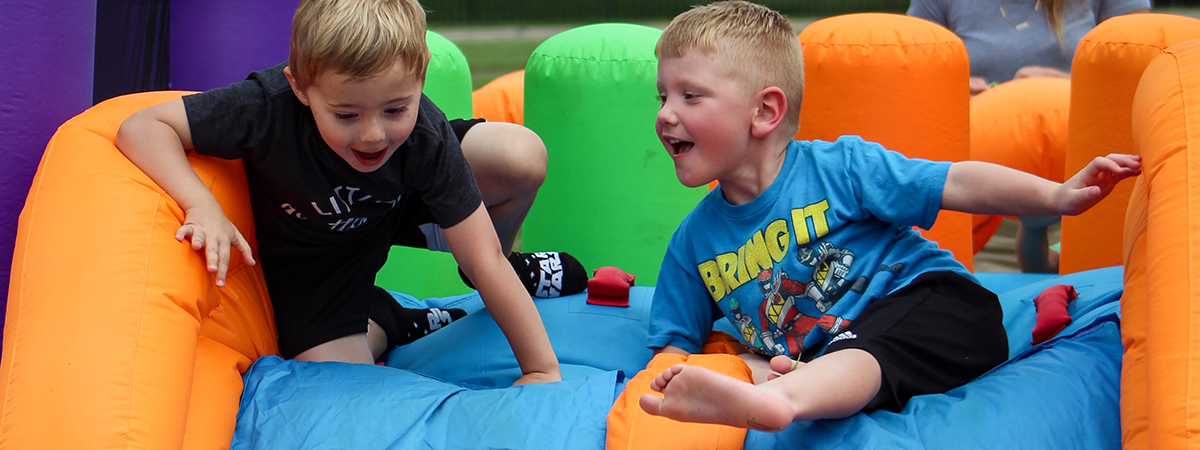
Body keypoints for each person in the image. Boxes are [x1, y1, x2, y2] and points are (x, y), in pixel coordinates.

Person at [637, 1, 1142, 431]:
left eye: (690, 96)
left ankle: (780, 402)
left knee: (857, 351)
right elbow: (671, 344)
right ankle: (786, 388)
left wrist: (1058, 197)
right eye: (662, 96)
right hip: (840, 355)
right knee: (836, 355)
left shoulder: (840, 168)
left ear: (765, 112)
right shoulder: (693, 243)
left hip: (937, 306)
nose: (665, 114)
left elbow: (954, 181)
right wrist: (673, 383)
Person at [115, 0, 576, 384]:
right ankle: (388, 318)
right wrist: (202, 203)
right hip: (317, 260)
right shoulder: (265, 106)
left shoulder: (421, 137)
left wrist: (540, 368)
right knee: (336, 375)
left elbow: (484, 258)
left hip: (399, 204)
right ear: (299, 86)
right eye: (346, 115)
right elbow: (143, 126)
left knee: (521, 156)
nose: (373, 135)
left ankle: (500, 267)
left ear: (421, 75)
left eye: (395, 108)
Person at [909, 0, 1148, 273]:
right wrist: (951, 88)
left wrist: (1065, 82)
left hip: (1087, 199)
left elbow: (1139, 80)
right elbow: (911, 84)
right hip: (976, 204)